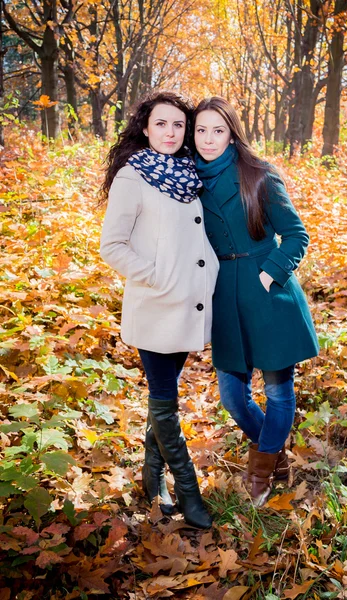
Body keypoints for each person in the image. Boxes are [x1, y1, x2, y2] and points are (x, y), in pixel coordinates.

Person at [99, 91, 219, 528]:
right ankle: (189, 491)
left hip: (189, 305)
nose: (170, 132)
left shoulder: (189, 175)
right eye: (161, 124)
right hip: (155, 307)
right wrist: (156, 276)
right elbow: (111, 246)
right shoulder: (133, 178)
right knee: (165, 402)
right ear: (145, 128)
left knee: (162, 398)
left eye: (178, 125)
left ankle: (152, 477)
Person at [193, 97, 319, 507]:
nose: (208, 139)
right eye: (201, 130)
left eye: (218, 130)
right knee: (232, 396)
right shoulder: (188, 181)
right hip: (224, 293)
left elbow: (297, 235)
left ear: (232, 134)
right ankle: (274, 451)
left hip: (267, 293)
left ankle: (260, 475)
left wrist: (268, 274)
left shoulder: (259, 175)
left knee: (279, 393)